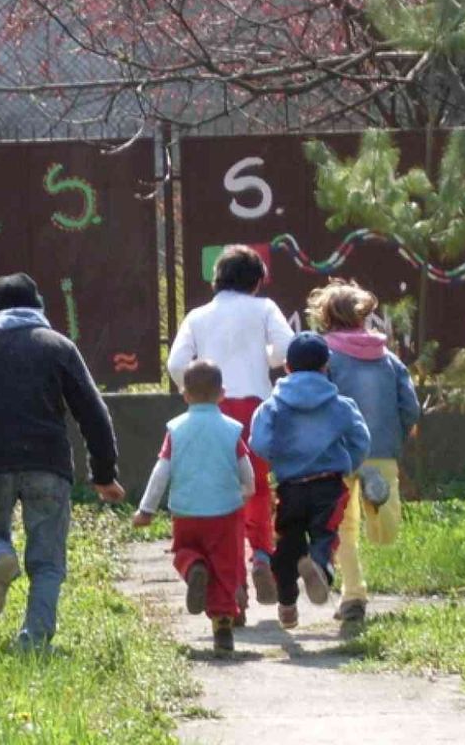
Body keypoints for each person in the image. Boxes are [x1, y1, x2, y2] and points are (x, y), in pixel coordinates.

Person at [0, 273, 125, 650]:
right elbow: (92, 411)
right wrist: (103, 473)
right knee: (48, 562)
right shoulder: (58, 346)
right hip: (48, 463)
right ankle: (34, 639)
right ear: (38, 307)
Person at [166, 244, 294, 617]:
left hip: (213, 409)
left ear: (216, 279)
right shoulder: (264, 308)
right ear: (257, 282)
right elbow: (286, 348)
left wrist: (192, 393)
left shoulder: (198, 315)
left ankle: (233, 587)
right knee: (254, 487)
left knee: (222, 500)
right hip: (256, 408)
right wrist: (264, 358)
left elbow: (176, 362)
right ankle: (262, 556)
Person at [307, 281, 420, 622]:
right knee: (384, 533)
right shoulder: (388, 358)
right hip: (382, 448)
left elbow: (317, 400)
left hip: (337, 453)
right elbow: (410, 406)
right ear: (365, 316)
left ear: (325, 317)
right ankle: (377, 502)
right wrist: (401, 431)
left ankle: (354, 596)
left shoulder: (324, 356)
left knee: (344, 529)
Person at [133, 360, 255, 656]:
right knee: (225, 567)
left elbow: (161, 471)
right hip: (225, 512)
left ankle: (193, 568)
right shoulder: (231, 430)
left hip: (186, 512)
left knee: (183, 551)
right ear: (222, 394)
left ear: (184, 395)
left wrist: (146, 510)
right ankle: (223, 627)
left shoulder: (175, 430)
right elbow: (246, 470)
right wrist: (246, 491)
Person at [250, 332, 370, 630]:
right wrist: (349, 464)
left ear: (287, 367)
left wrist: (280, 458)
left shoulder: (273, 406)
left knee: (287, 545)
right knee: (325, 535)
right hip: (328, 484)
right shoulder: (340, 404)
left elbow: (259, 442)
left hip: (291, 487)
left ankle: (287, 603)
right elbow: (361, 440)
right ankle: (319, 566)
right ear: (325, 367)